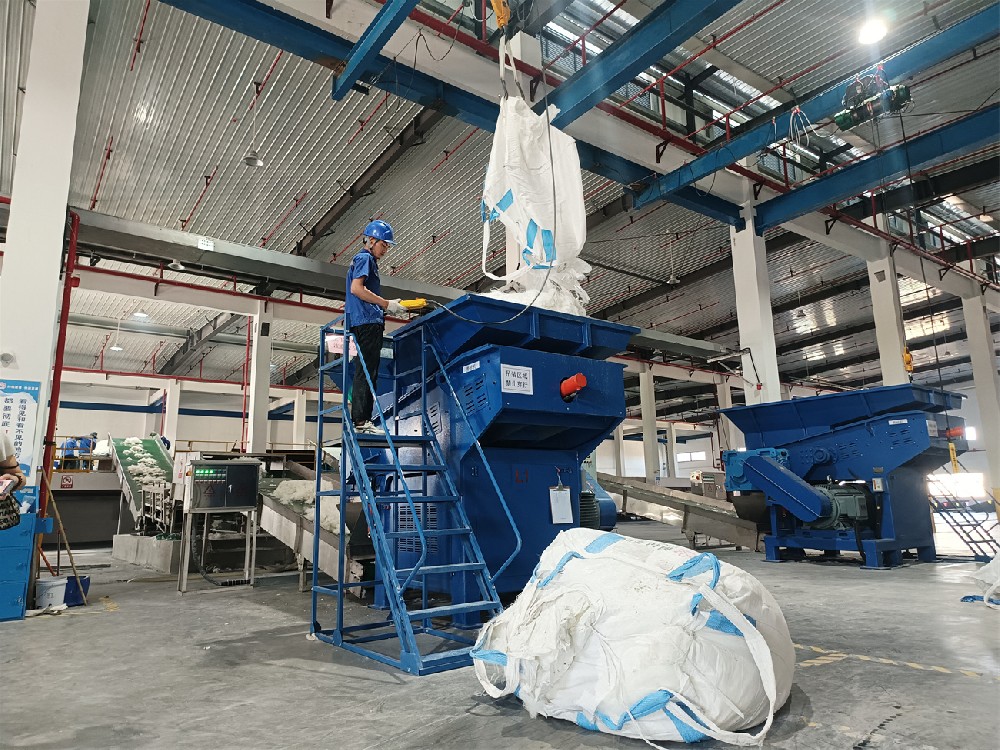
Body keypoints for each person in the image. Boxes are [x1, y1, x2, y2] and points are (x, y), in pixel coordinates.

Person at [345, 220, 406, 433]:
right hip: (367, 322)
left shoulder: (365, 260)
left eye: (387, 246)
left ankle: (361, 420)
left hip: (364, 320)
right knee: (367, 371)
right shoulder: (364, 258)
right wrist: (386, 304)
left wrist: (385, 307)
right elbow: (357, 289)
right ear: (371, 240)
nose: (385, 249)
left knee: (365, 370)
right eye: (383, 244)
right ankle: (362, 422)